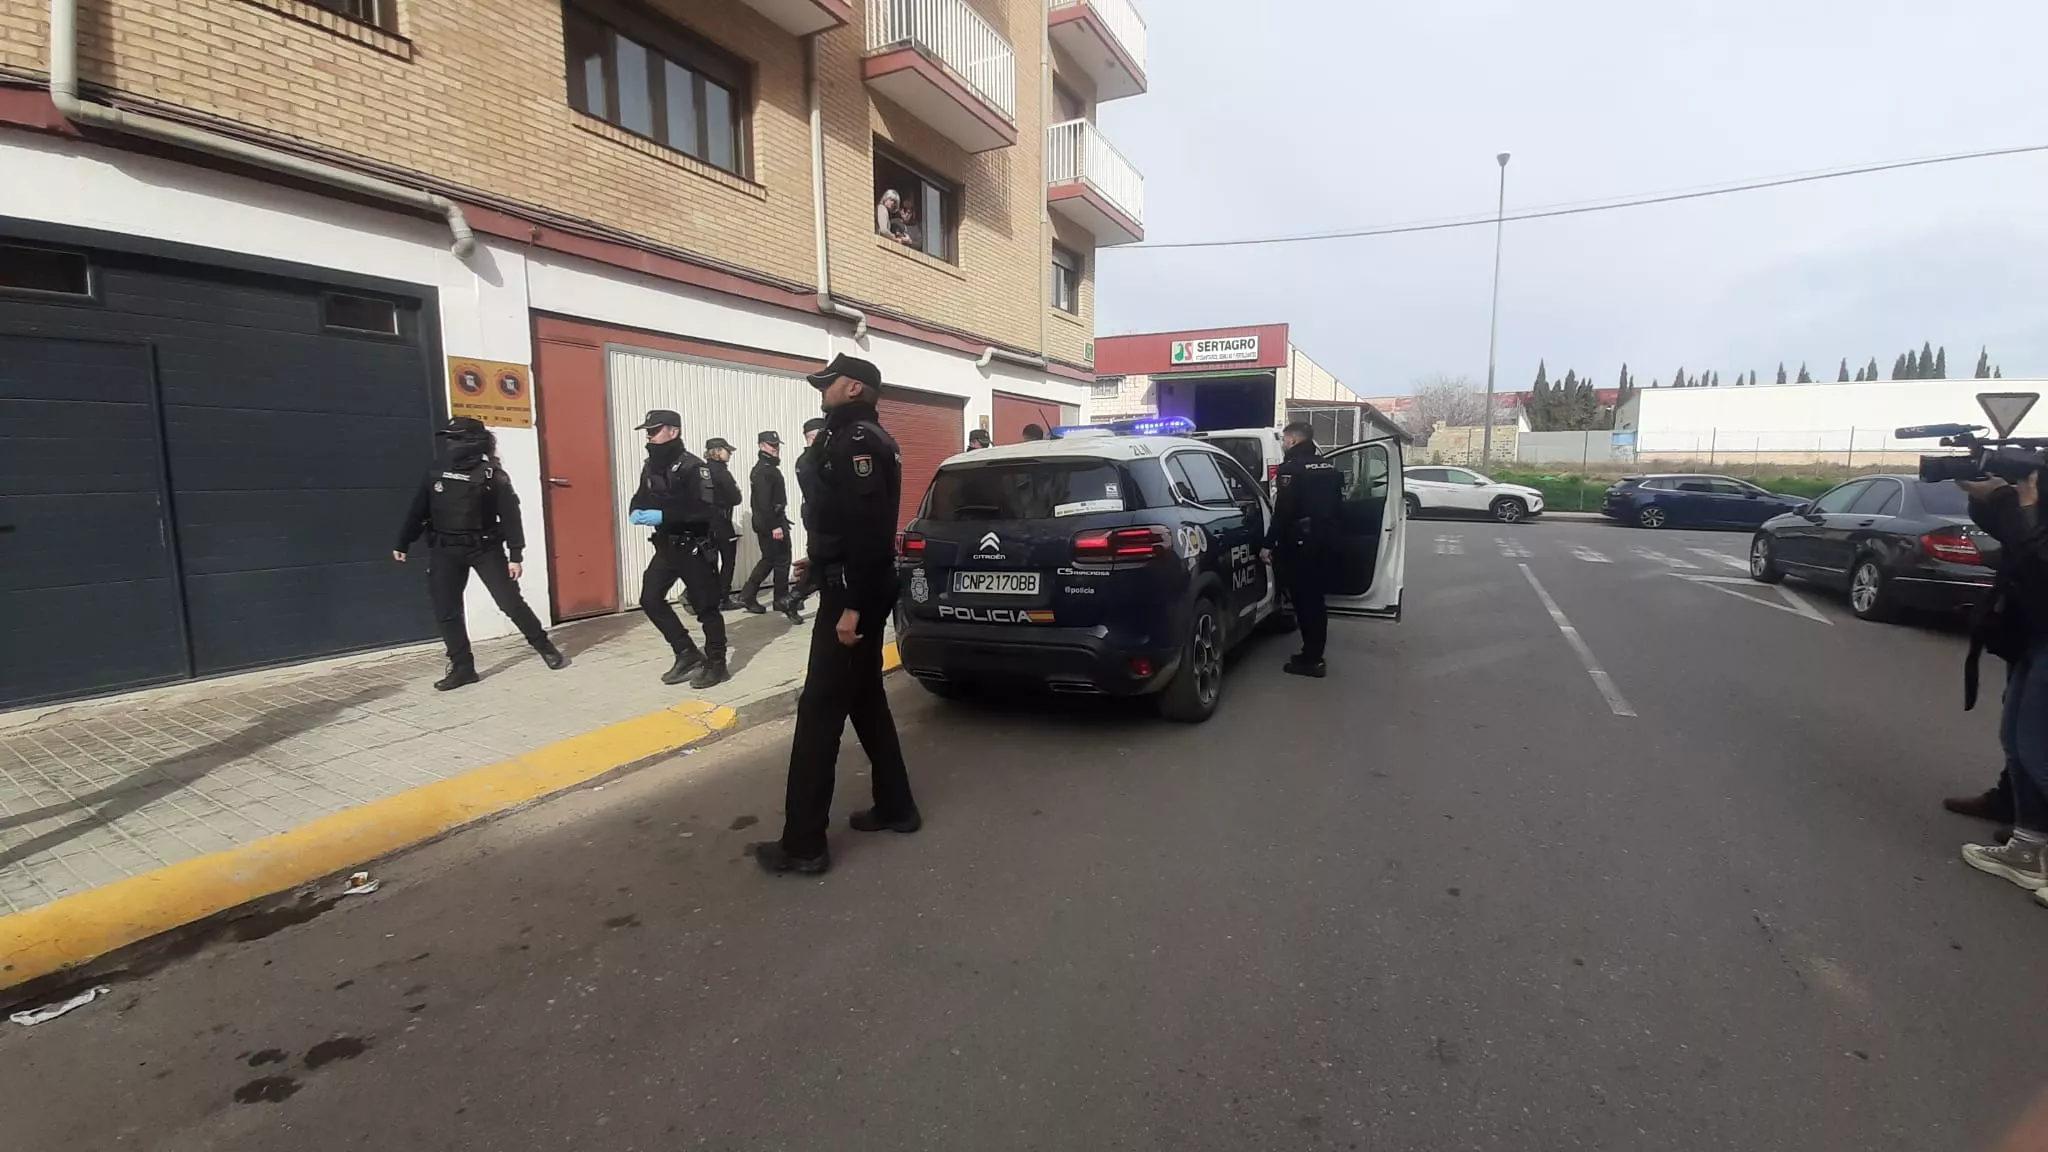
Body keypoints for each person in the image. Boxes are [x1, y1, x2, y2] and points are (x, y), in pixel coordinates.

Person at [753, 354, 917, 876]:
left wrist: (851, 605)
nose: (821, 391)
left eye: (827, 384)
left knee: (819, 713)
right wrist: (818, 561)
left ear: (851, 387)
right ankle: (897, 807)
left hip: (855, 592)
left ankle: (803, 844)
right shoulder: (848, 437)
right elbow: (841, 520)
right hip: (850, 580)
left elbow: (867, 529)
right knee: (865, 699)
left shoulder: (858, 441)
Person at [393, 417, 564, 690]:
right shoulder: (437, 470)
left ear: (472, 441)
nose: (450, 443)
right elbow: (419, 508)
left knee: (509, 602)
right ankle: (463, 668)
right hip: (445, 549)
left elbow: (510, 516)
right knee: (446, 609)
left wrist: (516, 555)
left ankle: (544, 646)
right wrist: (403, 542)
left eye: (456, 438)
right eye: (448, 438)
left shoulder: (492, 475)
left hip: (484, 548)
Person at [1956, 465, 2048, 903]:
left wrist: (2023, 504)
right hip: (2033, 630)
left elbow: (2037, 558)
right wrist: (1985, 497)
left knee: (2037, 746)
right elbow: (2011, 536)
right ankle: (2028, 849)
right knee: (2016, 738)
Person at [628, 410, 729, 689]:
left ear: (673, 431)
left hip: (694, 545)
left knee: (705, 606)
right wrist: (635, 510)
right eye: (647, 431)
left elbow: (705, 510)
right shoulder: (652, 466)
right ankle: (686, 652)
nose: (649, 435)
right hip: (667, 546)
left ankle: (717, 663)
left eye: (655, 430)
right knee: (650, 598)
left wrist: (664, 516)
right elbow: (641, 497)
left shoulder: (694, 467)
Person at [1260, 421, 1343, 678]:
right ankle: (1314, 652)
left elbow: (1284, 512)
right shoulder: (1328, 466)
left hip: (1301, 544)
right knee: (1316, 600)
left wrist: (1267, 544)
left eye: (1285, 440)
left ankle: (1311, 660)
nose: (1284, 444)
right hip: (1325, 542)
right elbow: (1339, 506)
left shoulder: (1292, 469)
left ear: (1293, 440)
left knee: (1306, 601)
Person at [737, 430, 802, 623]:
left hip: (768, 521)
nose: (775, 449)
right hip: (771, 522)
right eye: (771, 446)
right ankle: (781, 600)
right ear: (761, 446)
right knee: (781, 560)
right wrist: (775, 525)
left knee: (770, 560)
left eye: (776, 445)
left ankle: (748, 595)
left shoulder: (766, 468)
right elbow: (765, 503)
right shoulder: (765, 470)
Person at [784, 416, 828, 615]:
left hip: (814, 515)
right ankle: (795, 596)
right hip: (822, 517)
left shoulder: (805, 460)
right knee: (823, 561)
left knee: (821, 561)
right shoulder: (815, 460)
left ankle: (795, 597)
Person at [704, 437, 743, 610]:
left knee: (710, 562)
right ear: (718, 451)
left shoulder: (702, 471)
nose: (730, 453)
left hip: (705, 523)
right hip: (722, 522)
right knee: (728, 561)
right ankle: (723, 598)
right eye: (727, 450)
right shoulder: (721, 472)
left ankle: (707, 596)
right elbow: (736, 498)